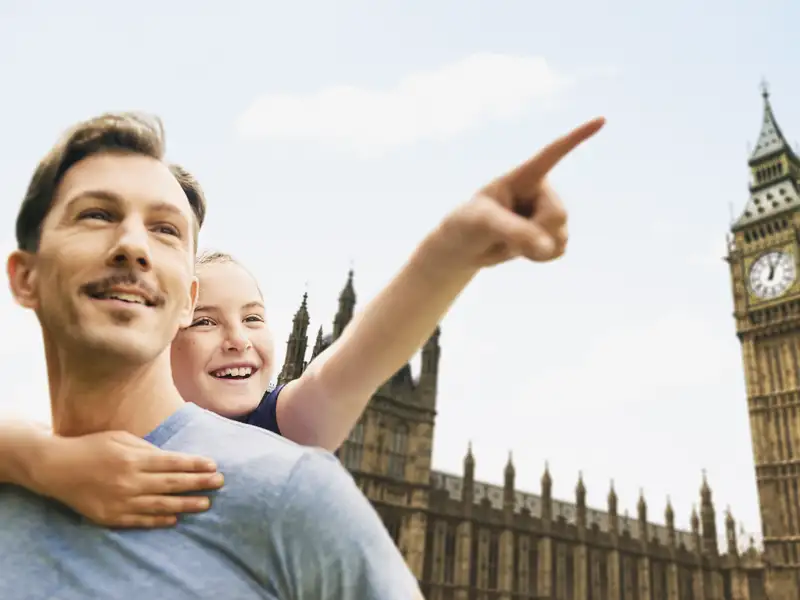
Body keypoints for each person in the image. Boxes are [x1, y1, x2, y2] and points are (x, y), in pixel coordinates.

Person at [0, 109, 603, 598]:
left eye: (163, 229)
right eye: (97, 215)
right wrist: (41, 460)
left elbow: (354, 362)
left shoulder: (289, 471)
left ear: (178, 298)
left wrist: (452, 251)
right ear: (24, 277)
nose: (131, 245)